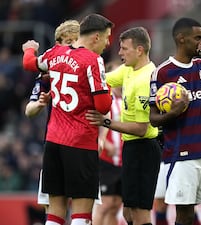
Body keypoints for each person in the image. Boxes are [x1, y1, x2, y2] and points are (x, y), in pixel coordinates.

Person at [22, 13, 114, 225]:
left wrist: (29, 48)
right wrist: (105, 90)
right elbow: (103, 106)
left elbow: (29, 63)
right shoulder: (93, 60)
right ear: (96, 37)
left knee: (54, 213)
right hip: (81, 142)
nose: (108, 43)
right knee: (81, 214)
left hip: (53, 142)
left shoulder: (55, 53)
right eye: (107, 37)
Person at [148, 17, 201, 225]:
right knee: (185, 217)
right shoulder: (162, 73)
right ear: (181, 39)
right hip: (181, 157)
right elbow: (153, 119)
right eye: (198, 38)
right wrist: (172, 113)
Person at [86, 26, 161, 225]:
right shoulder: (129, 70)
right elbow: (103, 80)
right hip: (131, 149)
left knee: (140, 214)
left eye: (124, 49)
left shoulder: (146, 79)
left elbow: (141, 128)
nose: (119, 53)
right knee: (128, 213)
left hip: (144, 149)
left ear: (139, 50)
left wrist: (105, 122)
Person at [24, 19, 80, 217]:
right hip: (55, 143)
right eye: (68, 41)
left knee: (84, 209)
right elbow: (29, 110)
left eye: (76, 40)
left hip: (82, 145)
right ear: (58, 44)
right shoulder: (48, 74)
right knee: (55, 208)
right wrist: (39, 104)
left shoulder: (88, 67)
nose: (72, 45)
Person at [92, 85, 124, 225]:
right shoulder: (105, 101)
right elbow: (93, 121)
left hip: (123, 160)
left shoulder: (128, 100)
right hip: (106, 159)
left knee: (116, 205)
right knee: (104, 204)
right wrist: (104, 142)